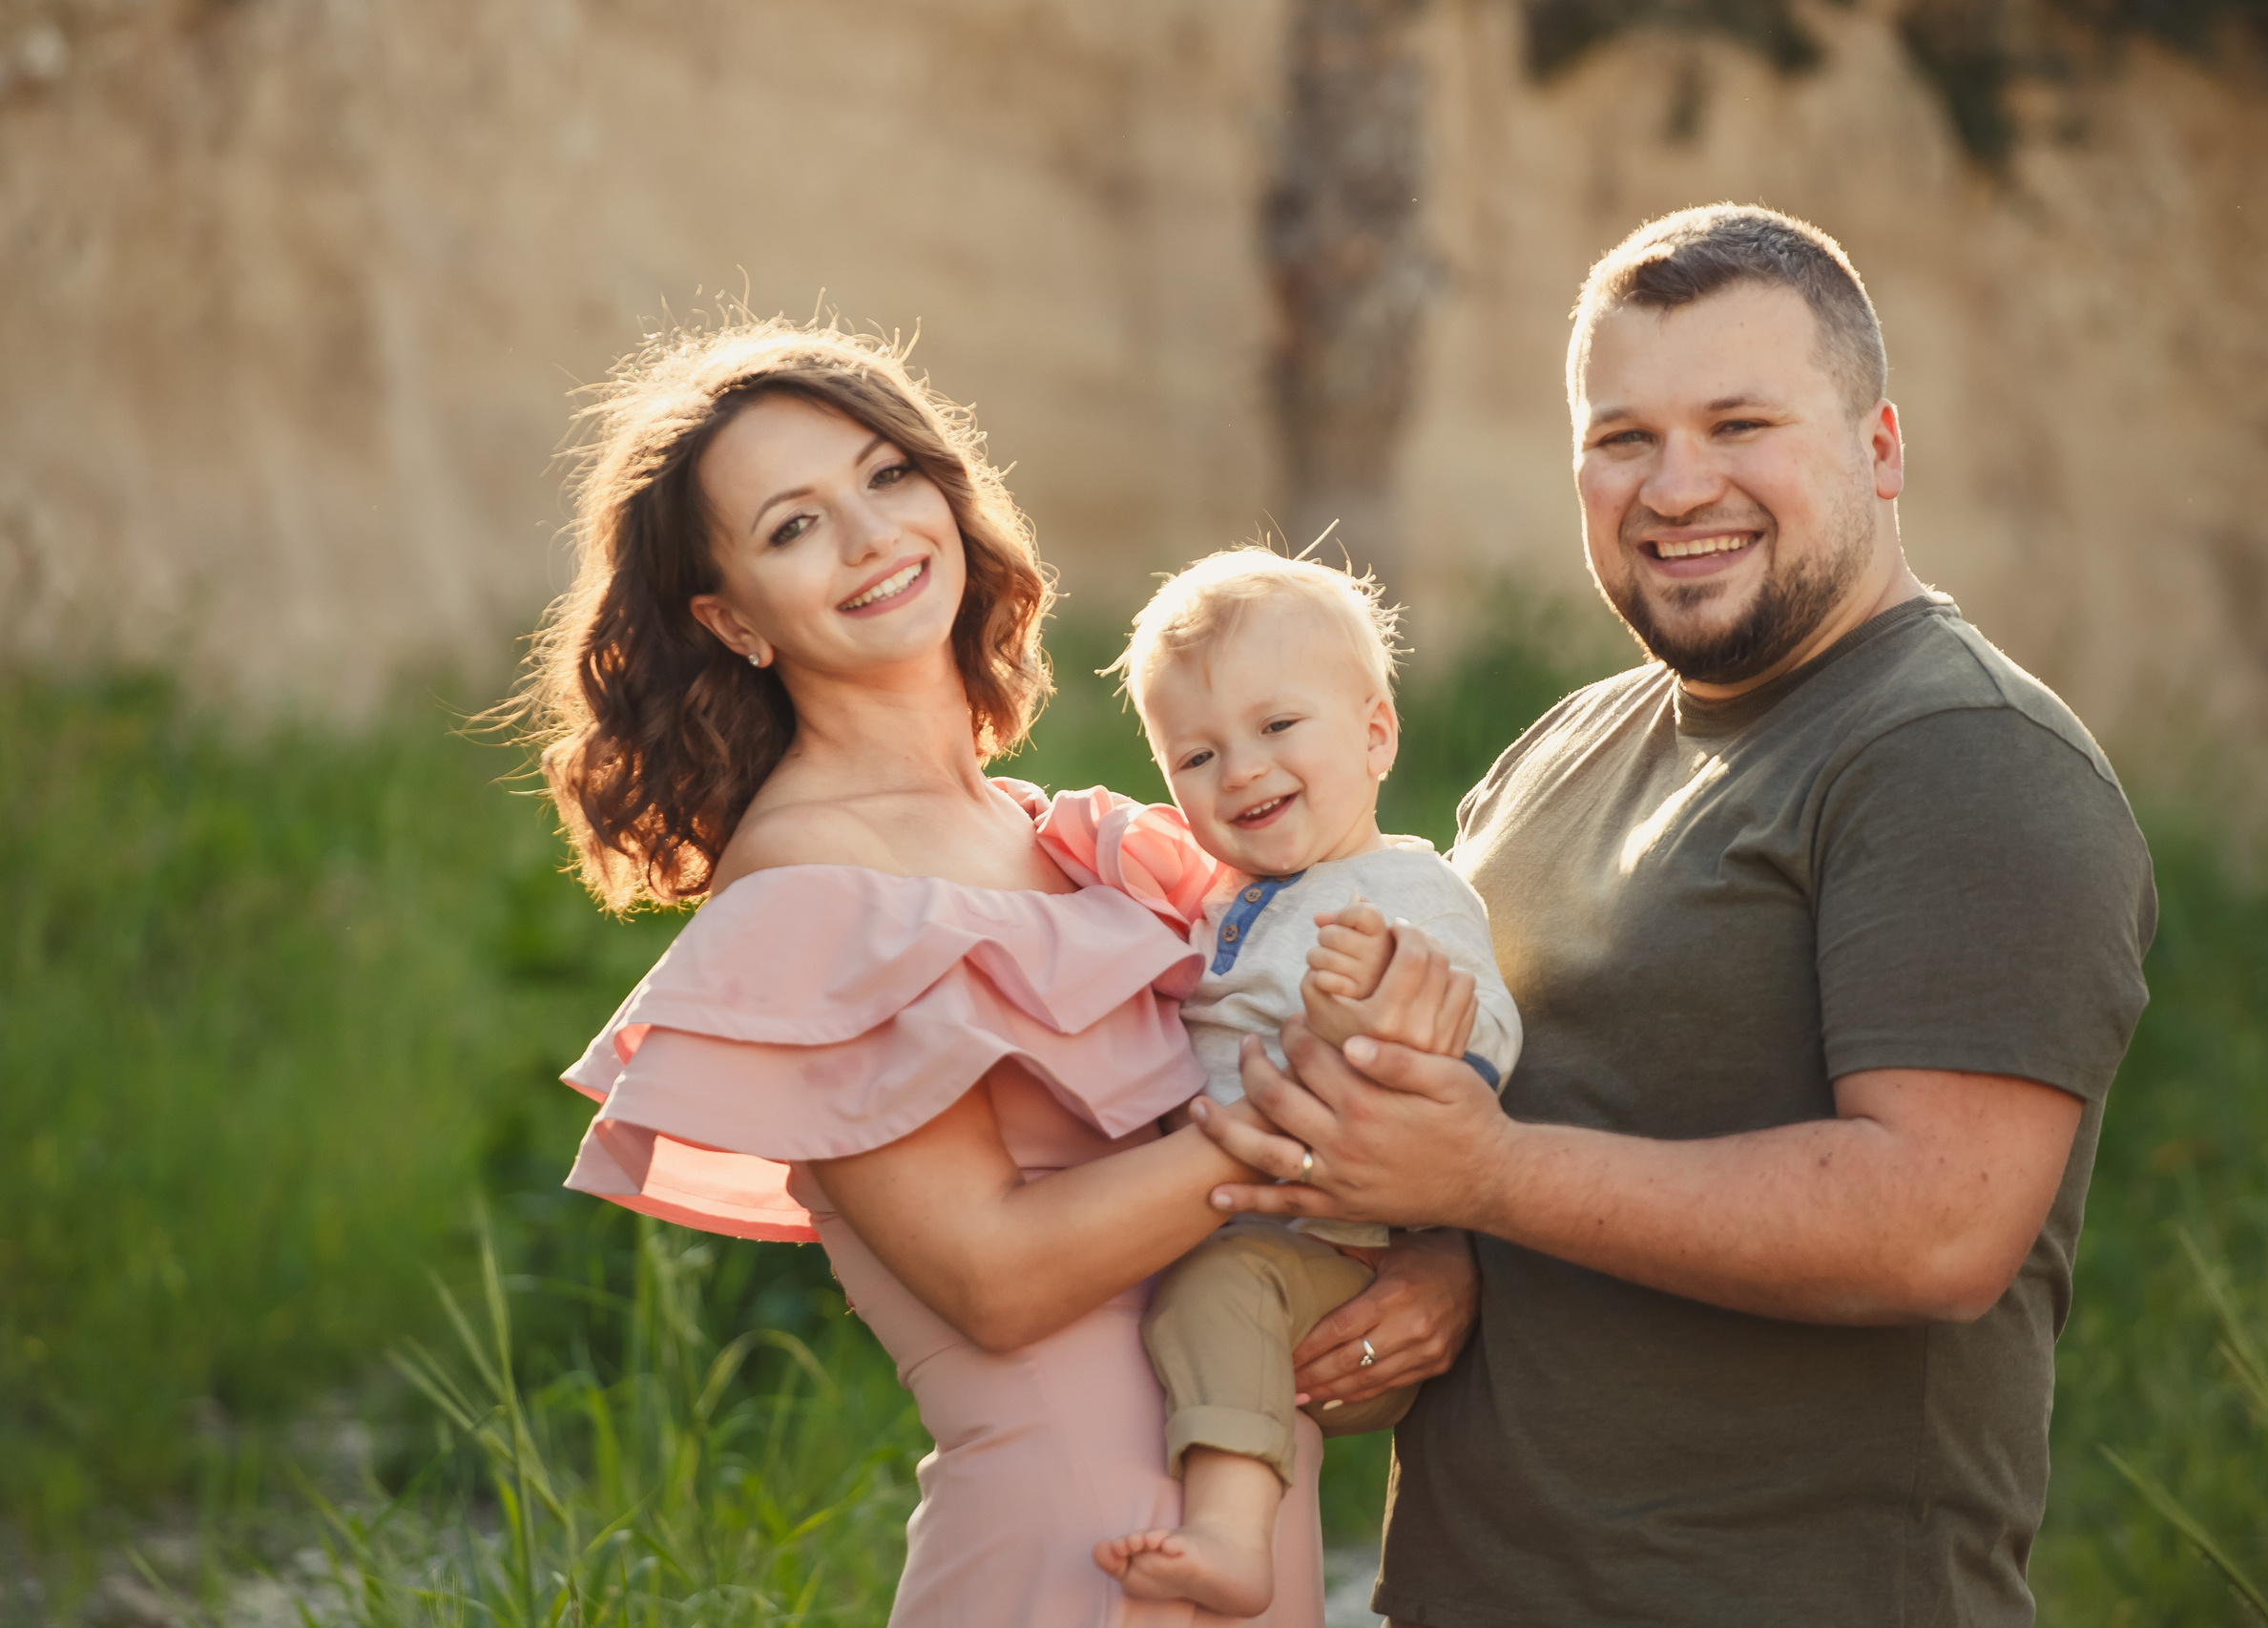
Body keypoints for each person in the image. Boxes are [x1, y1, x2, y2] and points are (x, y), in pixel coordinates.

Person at [1192, 204, 2159, 1626]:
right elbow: (1508, 1110)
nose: (1675, 484)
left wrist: (1485, 1184)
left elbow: (1935, 1226)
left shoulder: (1960, 753)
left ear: (1882, 450)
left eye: (1739, 423)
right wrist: (1448, 1251)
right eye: (1623, 437)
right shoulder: (1564, 744)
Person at [510, 319, 1479, 1626]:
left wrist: (1434, 1258)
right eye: (796, 526)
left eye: (888, 475)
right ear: (730, 617)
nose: (871, 537)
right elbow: (996, 1279)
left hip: (1248, 1542)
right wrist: (1296, 1113)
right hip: (1070, 1562)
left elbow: (1294, 1218)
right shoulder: (808, 885)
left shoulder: (1074, 841)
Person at [1046, 550, 1520, 1615]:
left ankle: (1228, 1537)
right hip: (1236, 1227)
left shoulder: (1403, 892)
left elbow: (1484, 1027)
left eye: (1277, 727)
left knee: (1214, 1292)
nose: (1240, 771)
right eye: (1197, 753)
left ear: (1376, 733)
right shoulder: (1226, 901)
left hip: (1335, 1258)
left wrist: (1389, 1017)